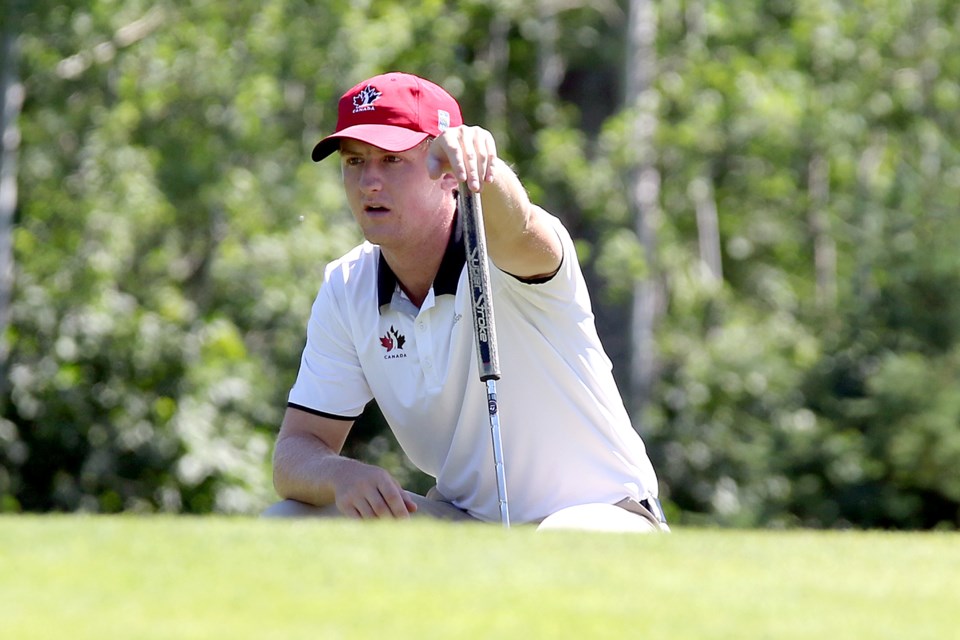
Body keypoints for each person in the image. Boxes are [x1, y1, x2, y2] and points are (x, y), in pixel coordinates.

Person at [263, 71, 668, 532]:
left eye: (393, 159)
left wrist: (486, 172)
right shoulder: (346, 285)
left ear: (449, 174)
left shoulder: (510, 251)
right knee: (293, 518)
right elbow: (296, 452)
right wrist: (340, 474)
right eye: (355, 162)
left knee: (564, 536)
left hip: (608, 515)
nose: (369, 182)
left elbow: (517, 228)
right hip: (468, 527)